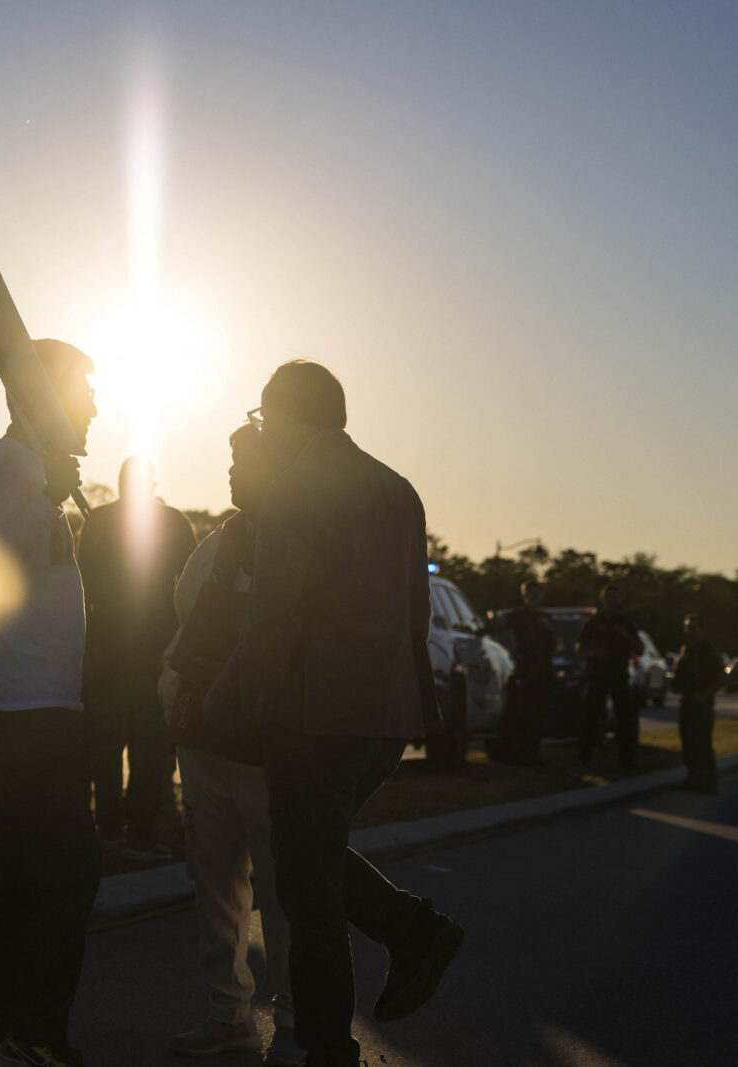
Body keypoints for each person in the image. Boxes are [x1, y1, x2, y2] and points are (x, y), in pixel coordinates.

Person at [238, 360, 462, 1067]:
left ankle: (331, 1045)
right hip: (385, 717)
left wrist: (228, 698)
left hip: (315, 715)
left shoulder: (296, 490)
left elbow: (275, 613)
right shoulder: (398, 489)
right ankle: (410, 929)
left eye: (268, 417)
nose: (265, 430)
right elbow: (417, 614)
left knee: (307, 885)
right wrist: (421, 708)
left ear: (289, 415)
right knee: (312, 852)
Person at [0, 339, 100, 1067]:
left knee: (25, 871)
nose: (96, 408)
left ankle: (1, 1032)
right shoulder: (4, 467)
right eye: (84, 392)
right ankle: (31, 1035)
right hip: (26, 704)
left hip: (40, 701)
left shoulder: (28, 470)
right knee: (62, 871)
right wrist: (45, 490)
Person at [159, 425, 301, 1064]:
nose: (233, 472)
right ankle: (228, 1018)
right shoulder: (218, 543)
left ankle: (298, 1022)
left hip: (271, 753)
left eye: (245, 460)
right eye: (232, 459)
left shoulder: (303, 540)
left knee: (282, 896)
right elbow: (184, 625)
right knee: (216, 894)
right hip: (207, 748)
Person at [77, 456, 197, 858]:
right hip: (152, 649)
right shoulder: (175, 523)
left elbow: (82, 587)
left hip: (106, 650)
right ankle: (139, 832)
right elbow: (194, 587)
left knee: (106, 750)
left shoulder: (98, 522)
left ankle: (110, 829)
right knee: (148, 752)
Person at [485, 580, 555, 766]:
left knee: (537, 716)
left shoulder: (546, 619)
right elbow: (496, 625)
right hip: (524, 671)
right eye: (529, 594)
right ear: (524, 596)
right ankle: (518, 754)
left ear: (541, 596)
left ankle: (532, 753)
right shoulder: (518, 616)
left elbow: (553, 644)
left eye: (536, 594)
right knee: (520, 714)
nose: (533, 598)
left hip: (541, 672)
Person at [576, 584, 643, 769]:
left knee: (624, 718)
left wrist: (625, 637)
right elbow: (580, 648)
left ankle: (626, 759)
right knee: (590, 716)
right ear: (602, 600)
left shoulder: (625, 623)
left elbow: (640, 648)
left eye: (615, 598)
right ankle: (585, 756)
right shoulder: (593, 623)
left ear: (619, 600)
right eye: (608, 598)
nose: (612, 601)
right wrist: (593, 653)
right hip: (597, 674)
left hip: (618, 673)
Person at [671, 613, 726, 794]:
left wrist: (704, 695)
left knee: (702, 744)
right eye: (687, 628)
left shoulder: (707, 650)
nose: (690, 632)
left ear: (702, 630)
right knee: (688, 744)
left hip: (702, 705)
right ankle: (693, 779)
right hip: (687, 702)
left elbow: (721, 678)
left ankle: (708, 783)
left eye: (693, 628)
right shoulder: (686, 649)